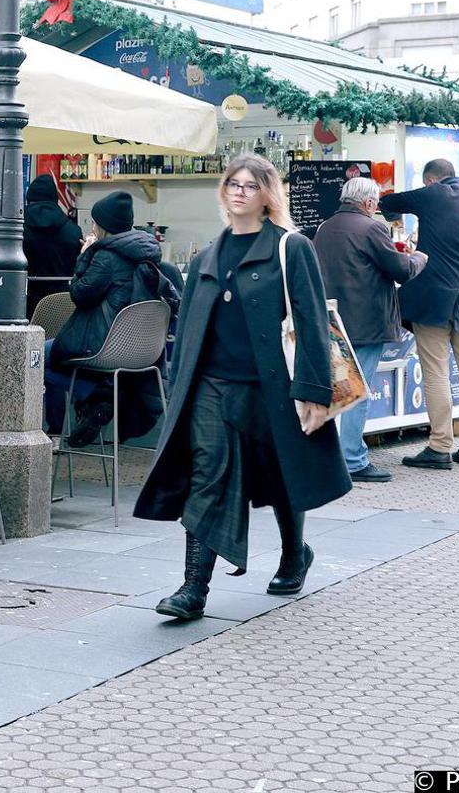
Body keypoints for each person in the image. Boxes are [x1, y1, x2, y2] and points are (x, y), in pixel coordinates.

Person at [135, 154, 349, 622]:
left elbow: (312, 321)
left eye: (250, 186)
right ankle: (194, 588)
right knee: (206, 476)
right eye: (233, 183)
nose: (239, 191)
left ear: (267, 194)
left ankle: (295, 554)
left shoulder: (291, 248)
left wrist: (314, 390)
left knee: (282, 474)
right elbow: (191, 326)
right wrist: (179, 387)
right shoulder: (210, 253)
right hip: (213, 386)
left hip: (275, 388)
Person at [378, 160, 459, 470]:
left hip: (435, 299)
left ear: (430, 180)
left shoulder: (435, 194)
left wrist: (393, 219)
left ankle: (440, 445)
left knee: (436, 371)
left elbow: (389, 200)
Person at [311, 177, 427, 483]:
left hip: (333, 321)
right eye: (375, 203)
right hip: (366, 322)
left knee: (340, 390)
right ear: (368, 203)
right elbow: (399, 270)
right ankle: (353, 459)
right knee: (357, 391)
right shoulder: (371, 228)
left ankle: (333, 457)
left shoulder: (324, 228)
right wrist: (417, 258)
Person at [45, 191, 178, 449]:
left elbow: (79, 294)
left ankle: (76, 412)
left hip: (100, 343)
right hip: (140, 352)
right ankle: (100, 394)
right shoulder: (150, 254)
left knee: (34, 357)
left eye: (94, 221)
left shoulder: (105, 256)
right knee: (50, 357)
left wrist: (85, 255)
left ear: (103, 226)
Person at [24, 173, 82, 314]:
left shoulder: (17, 229)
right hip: (62, 303)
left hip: (25, 303)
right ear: (54, 199)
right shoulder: (73, 231)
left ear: (29, 199)